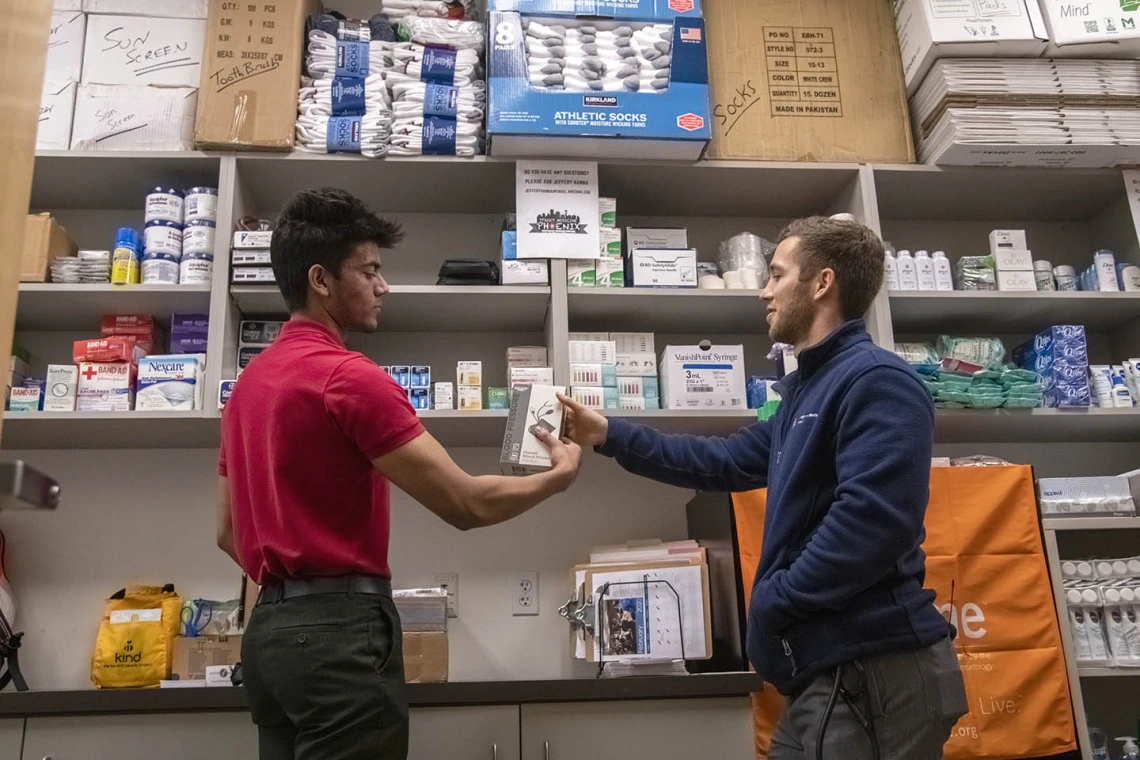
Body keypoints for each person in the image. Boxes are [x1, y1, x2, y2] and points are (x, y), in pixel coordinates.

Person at [559, 216, 968, 759]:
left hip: (878, 669)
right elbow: (722, 460)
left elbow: (872, 525)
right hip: (831, 672)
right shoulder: (807, 392)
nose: (763, 290)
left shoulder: (878, 380)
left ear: (822, 284)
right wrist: (607, 435)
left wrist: (773, 602)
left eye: (777, 275)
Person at [216, 187, 582, 760]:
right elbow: (467, 504)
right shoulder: (349, 378)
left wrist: (294, 594)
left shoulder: (248, 388)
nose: (383, 285)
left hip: (268, 637)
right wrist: (555, 478)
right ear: (321, 280)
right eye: (370, 271)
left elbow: (225, 532)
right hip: (338, 636)